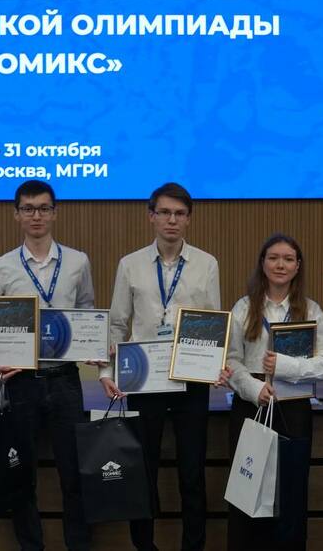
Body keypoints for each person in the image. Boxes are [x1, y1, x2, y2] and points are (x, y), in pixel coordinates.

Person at [99, 182, 220, 551]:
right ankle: (144, 545)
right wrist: (106, 372)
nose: (172, 220)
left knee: (192, 473)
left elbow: (211, 322)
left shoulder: (207, 264)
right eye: (165, 212)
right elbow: (117, 325)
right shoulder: (130, 264)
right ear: (151, 216)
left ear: (189, 219)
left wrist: (215, 365)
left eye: (180, 214)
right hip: (143, 378)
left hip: (190, 379)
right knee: (143, 468)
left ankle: (193, 545)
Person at [0, 179, 94, 551]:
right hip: (22, 382)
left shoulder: (78, 261)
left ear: (54, 213)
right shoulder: (0, 267)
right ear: (17, 215)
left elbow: (86, 312)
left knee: (74, 475)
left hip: (65, 380)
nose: (36, 216)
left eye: (44, 208)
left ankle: (78, 545)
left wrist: (91, 342)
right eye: (28, 209)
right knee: (21, 473)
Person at [219, 234, 323, 550]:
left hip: (293, 408)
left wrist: (285, 365)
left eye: (288, 259)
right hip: (252, 406)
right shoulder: (244, 307)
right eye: (273, 258)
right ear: (262, 263)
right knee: (248, 495)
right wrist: (254, 388)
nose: (280, 264)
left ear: (297, 266)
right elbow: (231, 360)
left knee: (290, 495)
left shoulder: (310, 310)